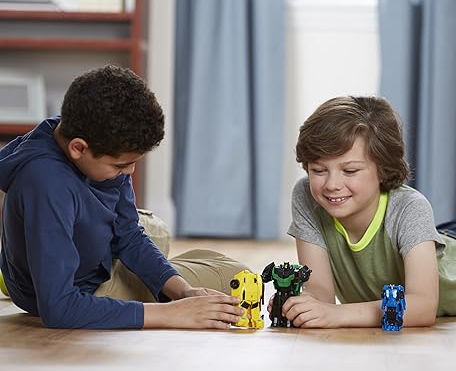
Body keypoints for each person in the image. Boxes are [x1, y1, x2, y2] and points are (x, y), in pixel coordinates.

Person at [0, 65, 245, 330]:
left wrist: (183, 290)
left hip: (94, 256)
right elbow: (59, 308)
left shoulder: (82, 132)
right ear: (78, 148)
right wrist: (171, 314)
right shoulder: (46, 182)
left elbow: (128, 233)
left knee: (155, 230)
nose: (130, 172)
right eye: (121, 165)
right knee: (235, 276)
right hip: (83, 293)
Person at [283, 96, 456, 328]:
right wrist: (300, 307)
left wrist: (337, 315)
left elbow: (423, 307)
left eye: (350, 171)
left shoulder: (410, 207)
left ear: (383, 170)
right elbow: (320, 296)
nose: (332, 184)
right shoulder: (306, 195)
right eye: (319, 170)